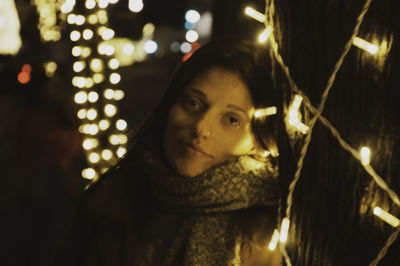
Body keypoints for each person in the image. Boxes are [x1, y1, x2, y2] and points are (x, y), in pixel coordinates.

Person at [53, 39, 283, 266]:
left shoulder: (267, 237)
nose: (201, 128)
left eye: (232, 120)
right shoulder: (113, 200)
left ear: (258, 141)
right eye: (193, 103)